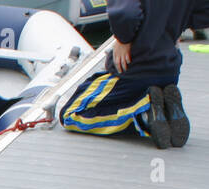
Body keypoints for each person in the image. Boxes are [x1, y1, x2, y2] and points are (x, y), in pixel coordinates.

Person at [61, 0, 209, 148]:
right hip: (169, 71)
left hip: (132, 69)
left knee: (70, 114)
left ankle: (141, 117)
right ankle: (164, 110)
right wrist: (176, 25)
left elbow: (125, 13)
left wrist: (123, 39)